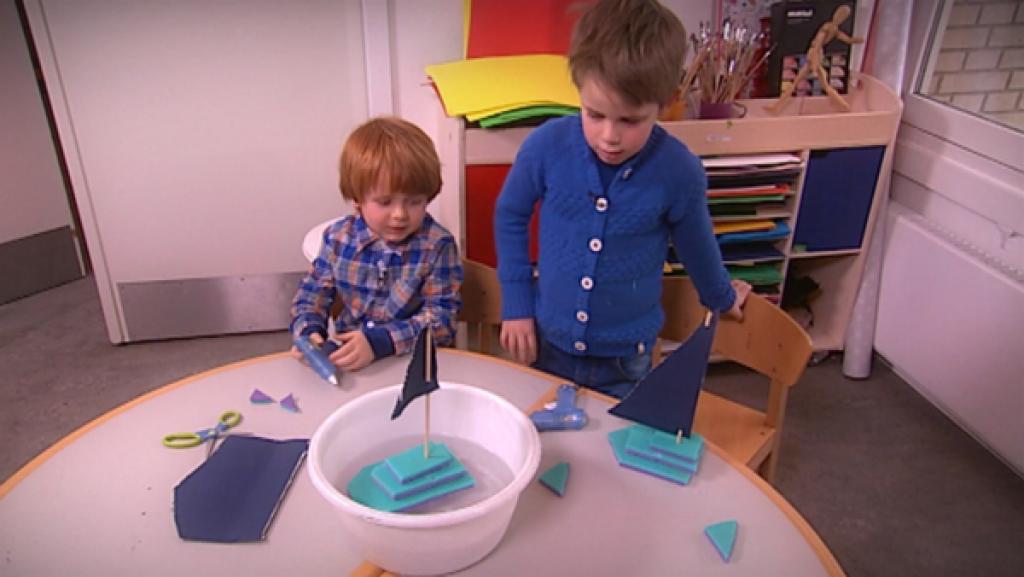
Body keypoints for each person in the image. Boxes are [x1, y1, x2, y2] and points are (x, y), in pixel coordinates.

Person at [494, 0, 750, 398]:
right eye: (594, 114)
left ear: (663, 104)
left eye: (630, 120)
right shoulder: (546, 145)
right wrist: (516, 304)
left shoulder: (679, 171)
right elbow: (510, 215)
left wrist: (723, 296)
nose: (609, 136)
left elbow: (697, 246)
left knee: (614, 455)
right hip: (547, 346)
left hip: (626, 360)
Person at [290, 116, 462, 372]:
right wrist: (309, 329)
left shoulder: (438, 246)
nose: (400, 214)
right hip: (353, 364)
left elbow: (442, 320)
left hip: (413, 362)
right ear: (357, 198)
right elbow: (311, 295)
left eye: (414, 201)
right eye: (385, 202)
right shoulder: (337, 239)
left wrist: (380, 343)